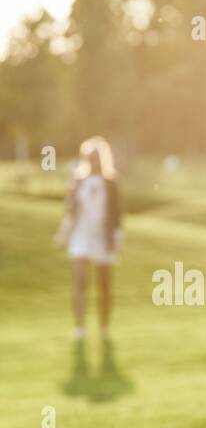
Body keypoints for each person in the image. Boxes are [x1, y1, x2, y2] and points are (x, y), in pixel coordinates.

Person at [60, 136, 123, 341]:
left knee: (104, 283)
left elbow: (117, 212)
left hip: (103, 236)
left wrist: (117, 236)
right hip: (82, 235)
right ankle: (80, 327)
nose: (94, 160)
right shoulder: (78, 181)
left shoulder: (111, 182)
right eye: (90, 157)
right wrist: (64, 232)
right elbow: (70, 210)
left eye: (97, 157)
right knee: (80, 280)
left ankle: (104, 327)